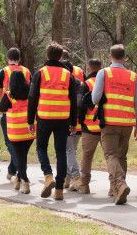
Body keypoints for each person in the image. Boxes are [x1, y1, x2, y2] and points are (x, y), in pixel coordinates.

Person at [91, 44, 137, 205]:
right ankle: (115, 189)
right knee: (121, 156)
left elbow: (94, 98)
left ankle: (120, 184)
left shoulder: (104, 73)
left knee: (111, 155)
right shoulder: (133, 76)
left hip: (109, 121)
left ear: (110, 57)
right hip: (127, 123)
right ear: (125, 58)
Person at [27, 43, 78, 201]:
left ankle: (48, 176)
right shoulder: (67, 74)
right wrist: (73, 122)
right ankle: (59, 190)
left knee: (41, 148)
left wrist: (30, 120)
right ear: (60, 56)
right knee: (61, 151)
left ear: (47, 56)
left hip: (44, 117)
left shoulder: (40, 73)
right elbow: (73, 100)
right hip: (63, 118)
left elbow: (32, 98)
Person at [0, 47, 31, 183]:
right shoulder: (26, 71)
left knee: (10, 143)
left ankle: (19, 169)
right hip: (25, 113)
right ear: (19, 59)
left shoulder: (3, 71)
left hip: (9, 111)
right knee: (21, 143)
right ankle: (12, 170)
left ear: (8, 58)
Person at [0, 69, 34, 194]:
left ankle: (25, 181)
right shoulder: (30, 94)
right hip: (29, 131)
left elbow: (0, 108)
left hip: (15, 132)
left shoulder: (9, 95)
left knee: (20, 157)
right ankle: (18, 179)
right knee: (22, 156)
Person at [75, 59, 103, 194]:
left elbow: (79, 105)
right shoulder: (106, 82)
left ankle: (84, 185)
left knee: (87, 156)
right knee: (111, 156)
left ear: (88, 68)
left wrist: (80, 120)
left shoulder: (85, 84)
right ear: (101, 67)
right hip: (105, 125)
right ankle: (114, 187)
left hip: (89, 127)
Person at [61, 51, 83, 191]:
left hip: (68, 121)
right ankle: (67, 180)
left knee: (68, 150)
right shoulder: (80, 81)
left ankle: (76, 177)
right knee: (71, 151)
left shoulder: (63, 83)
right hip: (79, 121)